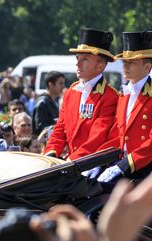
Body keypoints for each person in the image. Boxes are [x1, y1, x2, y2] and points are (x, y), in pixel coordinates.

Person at [97, 31, 152, 182]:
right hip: (126, 163)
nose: (125, 66)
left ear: (147, 67)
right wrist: (97, 160)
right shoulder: (124, 95)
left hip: (150, 167)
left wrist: (124, 165)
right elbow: (118, 136)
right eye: (124, 62)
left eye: (132, 63)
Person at [44, 28, 119, 160]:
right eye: (78, 58)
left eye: (85, 59)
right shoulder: (71, 92)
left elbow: (97, 138)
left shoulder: (110, 97)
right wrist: (51, 152)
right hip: (72, 163)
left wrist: (71, 160)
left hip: (93, 166)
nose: (77, 63)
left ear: (100, 66)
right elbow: (60, 129)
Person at [32, 71, 64, 135]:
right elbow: (41, 128)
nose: (63, 86)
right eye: (60, 83)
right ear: (50, 84)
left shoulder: (55, 101)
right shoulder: (42, 103)